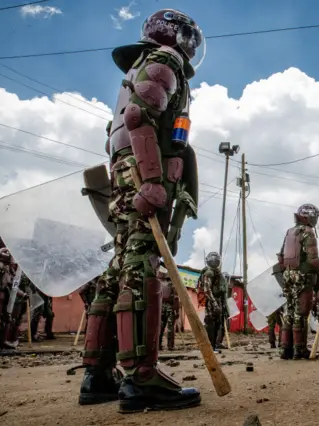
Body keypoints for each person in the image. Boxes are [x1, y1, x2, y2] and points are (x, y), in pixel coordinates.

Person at [78, 8, 203, 413]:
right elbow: (140, 116)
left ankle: (98, 374)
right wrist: (152, 180)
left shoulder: (134, 71)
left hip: (122, 175)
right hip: (145, 175)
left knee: (120, 268)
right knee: (142, 264)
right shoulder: (165, 61)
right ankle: (141, 377)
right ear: (176, 35)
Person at [276, 203, 319, 360]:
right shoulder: (308, 232)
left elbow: (281, 257)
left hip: (288, 276)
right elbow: (313, 259)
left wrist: (288, 273)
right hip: (303, 277)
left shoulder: (289, 232)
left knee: (289, 312)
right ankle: (299, 349)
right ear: (309, 217)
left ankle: (285, 349)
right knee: (301, 313)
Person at [197, 252, 227, 352]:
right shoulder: (209, 273)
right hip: (211, 302)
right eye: (212, 259)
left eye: (216, 259)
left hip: (217, 302)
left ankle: (213, 346)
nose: (214, 261)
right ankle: (209, 347)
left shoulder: (217, 272)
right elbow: (207, 290)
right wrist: (214, 304)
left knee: (217, 325)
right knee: (211, 325)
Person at [159, 268, 179, 351]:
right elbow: (176, 298)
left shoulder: (159, 284)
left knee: (160, 327)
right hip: (170, 307)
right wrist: (177, 311)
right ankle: (170, 346)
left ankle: (158, 345)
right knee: (170, 327)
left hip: (160, 307)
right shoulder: (173, 285)